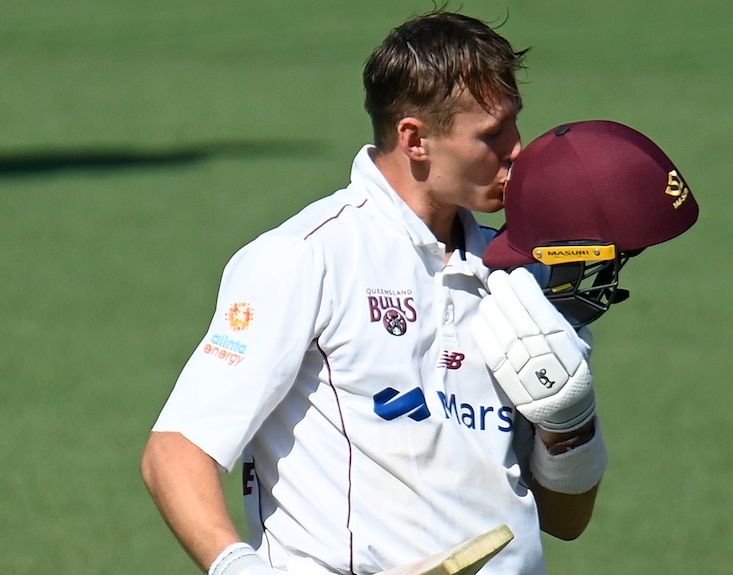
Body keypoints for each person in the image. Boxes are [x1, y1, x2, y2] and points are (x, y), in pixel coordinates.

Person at [141, 9, 604, 575]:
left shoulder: (515, 275)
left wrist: (569, 426)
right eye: (491, 134)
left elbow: (566, 519)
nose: (517, 150)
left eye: (514, 123)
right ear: (415, 139)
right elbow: (175, 452)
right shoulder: (306, 257)